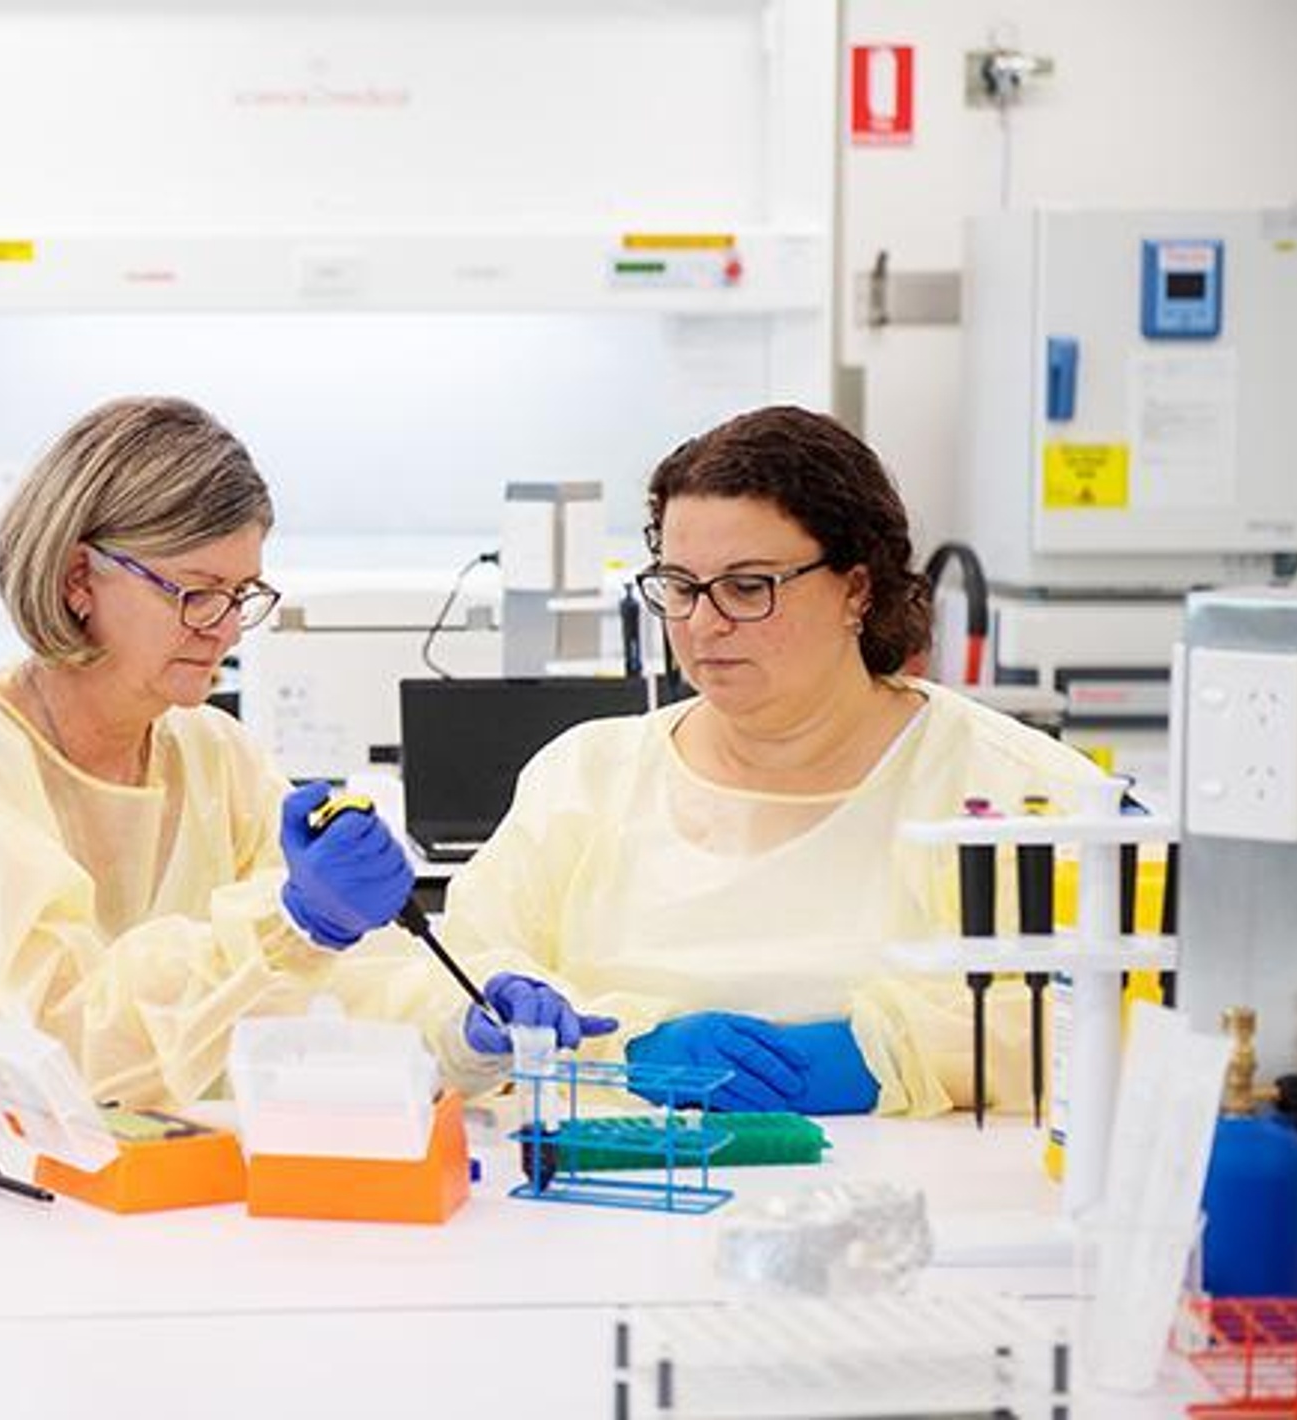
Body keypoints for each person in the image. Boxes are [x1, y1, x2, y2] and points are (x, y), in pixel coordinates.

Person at [286, 405, 1105, 1117]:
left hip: (905, 1227)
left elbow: (1112, 1013)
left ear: (858, 589)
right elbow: (449, 979)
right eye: (680, 585)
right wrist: (602, 1043)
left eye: (748, 587)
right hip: (602, 1205)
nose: (704, 625)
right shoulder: (588, 777)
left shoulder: (1017, 789)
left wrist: (882, 1057)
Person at [0, 396, 417, 1107]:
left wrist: (466, 1024)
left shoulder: (217, 758)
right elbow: (62, 1051)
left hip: (143, 1167)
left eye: (243, 594)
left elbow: (342, 986)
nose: (226, 630)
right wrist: (288, 924)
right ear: (78, 579)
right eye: (198, 593)